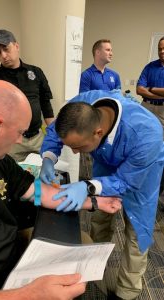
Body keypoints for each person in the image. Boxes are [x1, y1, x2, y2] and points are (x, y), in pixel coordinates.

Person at [0, 80, 122, 299]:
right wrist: (29, 294)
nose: (19, 141)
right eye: (20, 132)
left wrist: (92, 201)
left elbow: (36, 192)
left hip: (16, 257)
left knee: (82, 247)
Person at [39, 89, 164, 300]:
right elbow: (55, 131)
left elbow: (126, 181)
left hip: (141, 175)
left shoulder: (147, 132)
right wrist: (49, 157)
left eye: (77, 147)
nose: (76, 153)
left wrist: (87, 187)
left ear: (98, 132)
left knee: (136, 233)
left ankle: (128, 291)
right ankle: (94, 265)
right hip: (106, 163)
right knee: (100, 218)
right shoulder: (83, 105)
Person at [0, 29, 54, 162]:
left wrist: (53, 135)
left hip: (37, 139)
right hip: (12, 144)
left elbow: (46, 105)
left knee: (42, 178)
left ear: (16, 46)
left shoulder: (36, 72)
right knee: (14, 180)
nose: (3, 55)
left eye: (6, 49)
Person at [136, 36, 164, 195]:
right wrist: (158, 93)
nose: (161, 51)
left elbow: (146, 88)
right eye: (159, 48)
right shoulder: (150, 67)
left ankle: (154, 186)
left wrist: (151, 89)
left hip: (162, 112)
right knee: (140, 142)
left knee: (159, 148)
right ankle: (137, 178)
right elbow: (139, 90)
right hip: (146, 107)